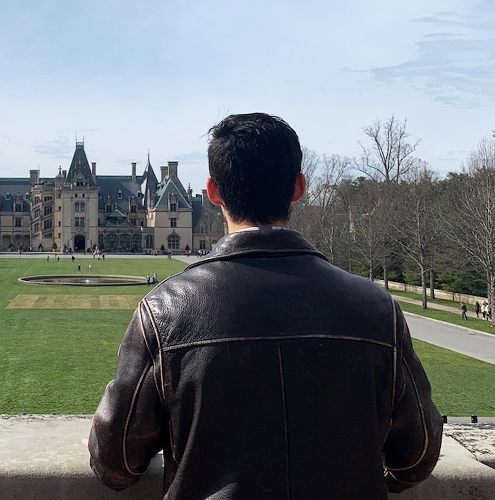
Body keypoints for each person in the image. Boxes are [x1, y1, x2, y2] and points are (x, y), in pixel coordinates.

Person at [87, 113, 441, 499]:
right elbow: (417, 455)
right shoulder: (377, 309)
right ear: (298, 188)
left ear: (212, 192)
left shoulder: (165, 311)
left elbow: (116, 463)